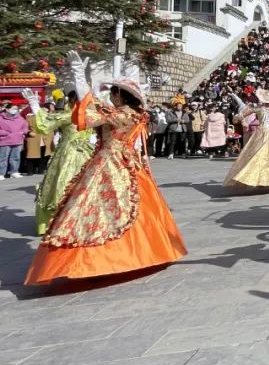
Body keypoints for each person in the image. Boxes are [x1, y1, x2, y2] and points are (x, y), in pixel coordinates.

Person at [25, 53, 187, 286]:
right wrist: (81, 79)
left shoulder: (126, 115)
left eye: (113, 92)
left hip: (113, 163)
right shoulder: (123, 113)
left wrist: (81, 78)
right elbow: (92, 107)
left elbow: (92, 112)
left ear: (121, 96)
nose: (110, 95)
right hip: (114, 161)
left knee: (105, 207)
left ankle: (108, 258)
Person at [22, 88, 96, 235]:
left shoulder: (69, 115)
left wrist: (34, 104)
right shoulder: (93, 114)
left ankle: (63, 221)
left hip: (69, 154)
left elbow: (44, 124)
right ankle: (82, 220)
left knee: (62, 185)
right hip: (88, 153)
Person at [0, 100, 30, 179]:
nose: (15, 110)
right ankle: (1, 173)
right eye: (13, 108)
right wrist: (5, 133)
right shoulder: (1, 118)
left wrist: (23, 132)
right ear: (7, 109)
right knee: (3, 158)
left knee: (16, 157)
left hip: (17, 140)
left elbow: (25, 126)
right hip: (5, 141)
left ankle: (14, 172)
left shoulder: (20, 118)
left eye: (16, 109)